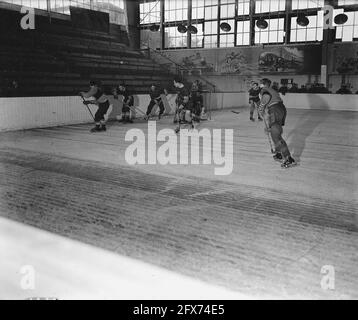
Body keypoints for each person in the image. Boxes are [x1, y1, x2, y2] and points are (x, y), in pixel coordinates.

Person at [258, 78, 296, 168]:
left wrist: (261, 108)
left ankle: (289, 158)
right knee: (274, 132)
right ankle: (279, 153)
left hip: (275, 110)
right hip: (279, 109)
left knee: (276, 136)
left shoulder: (264, 90)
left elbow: (266, 97)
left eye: (260, 84)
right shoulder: (272, 90)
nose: (259, 85)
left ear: (263, 84)